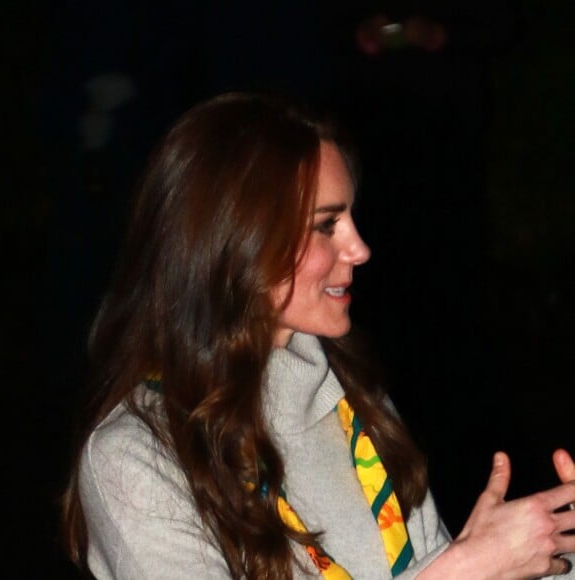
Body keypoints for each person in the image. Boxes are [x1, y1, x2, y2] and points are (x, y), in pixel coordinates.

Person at [61, 92, 575, 579]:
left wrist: (549, 554)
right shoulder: (135, 456)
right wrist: (466, 569)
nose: (360, 249)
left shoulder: (356, 406)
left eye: (350, 217)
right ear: (240, 240)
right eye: (327, 225)